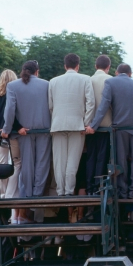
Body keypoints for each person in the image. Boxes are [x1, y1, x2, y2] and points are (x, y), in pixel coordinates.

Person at [86, 64, 133, 199]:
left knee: (121, 161)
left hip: (120, 128)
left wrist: (93, 126)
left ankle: (122, 191)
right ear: (130, 73)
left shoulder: (111, 82)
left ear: (116, 72)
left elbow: (104, 106)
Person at [1, 60, 52, 204]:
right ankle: (38, 194)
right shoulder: (47, 84)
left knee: (27, 163)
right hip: (44, 129)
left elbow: (10, 109)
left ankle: (28, 196)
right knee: (42, 162)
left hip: (24, 131)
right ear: (37, 71)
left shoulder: (12, 86)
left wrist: (7, 129)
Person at [48, 53, 95, 196]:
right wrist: (86, 123)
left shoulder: (53, 81)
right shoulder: (86, 79)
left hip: (57, 124)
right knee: (72, 161)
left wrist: (55, 118)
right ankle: (69, 191)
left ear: (65, 66)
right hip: (77, 125)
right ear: (78, 66)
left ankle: (60, 191)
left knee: (59, 162)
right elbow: (91, 103)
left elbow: (51, 105)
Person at [85, 55, 113, 195]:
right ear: (108, 67)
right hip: (106, 126)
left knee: (90, 157)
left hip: (88, 126)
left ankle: (89, 188)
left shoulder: (87, 80)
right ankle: (99, 188)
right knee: (102, 158)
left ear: (96, 66)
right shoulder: (111, 80)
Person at [0, 69, 19, 199]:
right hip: (12, 132)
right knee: (15, 163)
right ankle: (11, 194)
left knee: (1, 164)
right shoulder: (15, 94)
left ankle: (2, 193)